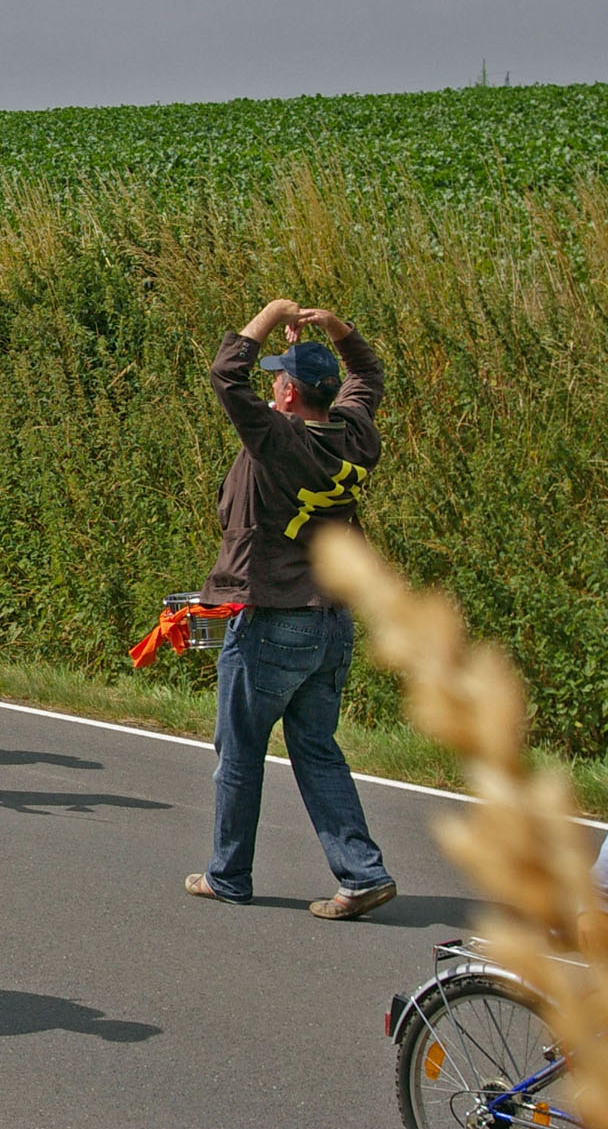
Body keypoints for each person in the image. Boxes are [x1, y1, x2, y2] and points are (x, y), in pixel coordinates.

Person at [187, 300, 395, 920]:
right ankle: (362, 873)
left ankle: (228, 875)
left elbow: (226, 376)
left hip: (275, 616)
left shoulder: (279, 441)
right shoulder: (353, 434)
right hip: (331, 621)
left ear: (287, 394)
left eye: (279, 377)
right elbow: (368, 376)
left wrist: (271, 313)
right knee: (317, 748)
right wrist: (337, 329)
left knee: (240, 749)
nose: (272, 385)